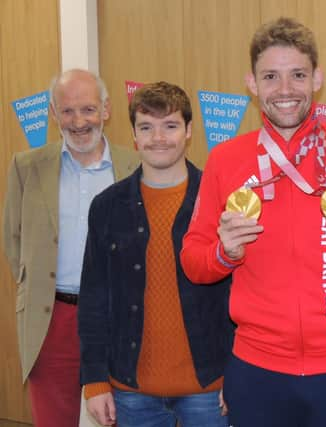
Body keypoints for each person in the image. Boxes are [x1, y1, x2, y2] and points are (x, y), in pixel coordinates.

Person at [181, 17, 326, 427]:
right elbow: (193, 262)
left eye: (297, 75)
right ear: (252, 84)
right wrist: (225, 252)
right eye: (271, 76)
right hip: (257, 369)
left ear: (317, 79)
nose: (285, 89)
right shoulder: (225, 160)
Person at [78, 81, 234, 427]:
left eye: (170, 126)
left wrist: (239, 373)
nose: (158, 138)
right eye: (146, 127)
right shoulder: (106, 207)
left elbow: (244, 296)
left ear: (189, 131)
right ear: (134, 135)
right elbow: (93, 300)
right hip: (131, 390)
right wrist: (94, 380)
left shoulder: (221, 202)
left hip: (210, 386)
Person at [1, 69, 139, 427]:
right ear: (53, 114)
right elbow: (13, 241)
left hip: (119, 318)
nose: (79, 122)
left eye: (88, 109)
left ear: (106, 110)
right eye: (67, 111)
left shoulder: (136, 167)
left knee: (123, 417)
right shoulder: (26, 167)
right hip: (51, 320)